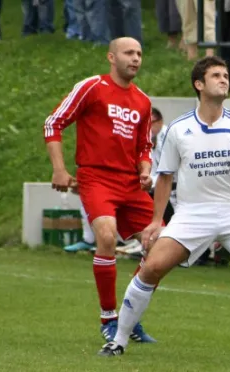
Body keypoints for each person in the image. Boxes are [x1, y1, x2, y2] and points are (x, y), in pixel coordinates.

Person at [97, 56, 230, 357]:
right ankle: (119, 341)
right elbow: (164, 177)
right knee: (152, 267)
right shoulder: (178, 129)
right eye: (216, 75)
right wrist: (156, 221)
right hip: (191, 214)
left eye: (226, 75)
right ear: (199, 84)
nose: (224, 79)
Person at [43, 37, 157, 344]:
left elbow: (145, 146)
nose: (135, 58)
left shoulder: (143, 101)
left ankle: (130, 318)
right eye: (129, 53)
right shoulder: (92, 87)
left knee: (162, 248)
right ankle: (109, 318)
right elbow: (53, 123)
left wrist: (145, 169)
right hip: (97, 179)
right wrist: (59, 169)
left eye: (139, 54)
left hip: (131, 185)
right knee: (106, 236)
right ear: (111, 57)